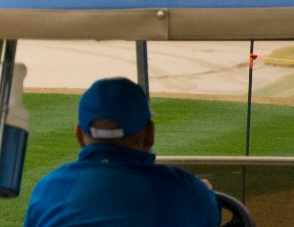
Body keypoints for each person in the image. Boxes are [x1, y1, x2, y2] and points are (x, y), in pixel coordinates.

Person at [23, 77, 221, 226]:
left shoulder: (48, 190)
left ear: (79, 136)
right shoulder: (184, 190)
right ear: (149, 134)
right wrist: (203, 192)